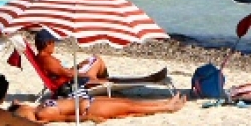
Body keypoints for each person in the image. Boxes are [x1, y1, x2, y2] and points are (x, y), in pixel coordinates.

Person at [34, 29, 167, 95]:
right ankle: (148, 79)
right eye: (53, 43)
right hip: (74, 85)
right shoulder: (47, 59)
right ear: (47, 43)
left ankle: (146, 78)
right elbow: (68, 75)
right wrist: (84, 74)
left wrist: (79, 66)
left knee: (95, 59)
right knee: (112, 80)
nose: (54, 46)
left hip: (71, 80)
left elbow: (61, 72)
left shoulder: (43, 57)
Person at [9, 93, 186, 124]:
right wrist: (88, 118)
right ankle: (168, 107)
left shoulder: (36, 107)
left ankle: (165, 103)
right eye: (19, 107)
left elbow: (16, 106)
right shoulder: (41, 114)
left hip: (89, 100)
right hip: (91, 108)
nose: (19, 103)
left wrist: (15, 106)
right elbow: (65, 118)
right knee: (130, 108)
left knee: (127, 103)